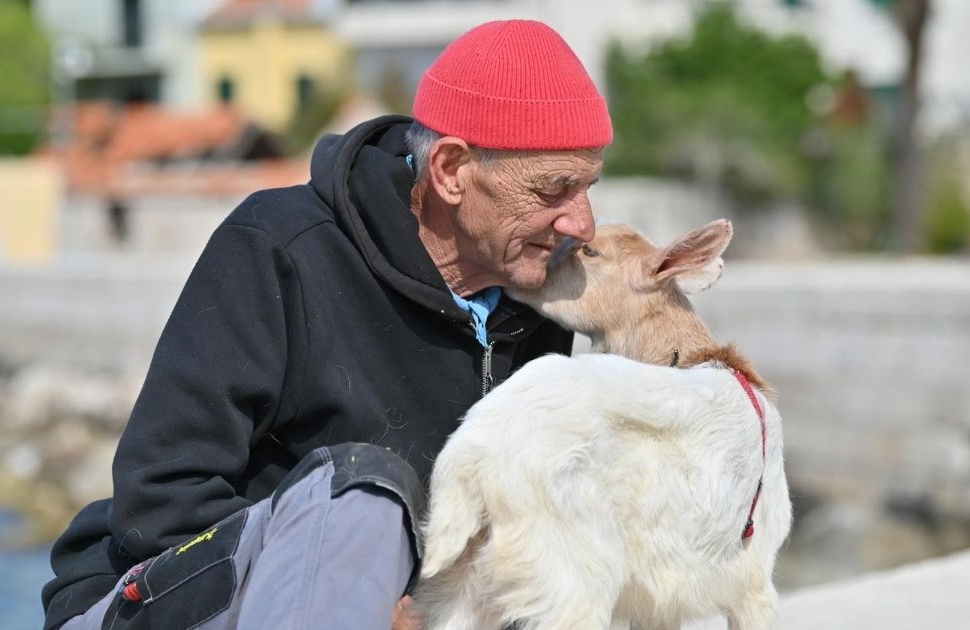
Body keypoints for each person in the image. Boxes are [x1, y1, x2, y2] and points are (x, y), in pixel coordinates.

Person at [40, 18, 612, 630]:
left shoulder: (533, 297)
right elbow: (159, 499)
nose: (582, 222)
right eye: (556, 189)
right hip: (161, 603)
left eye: (587, 188)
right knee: (363, 490)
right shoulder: (278, 247)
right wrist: (366, 594)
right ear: (450, 171)